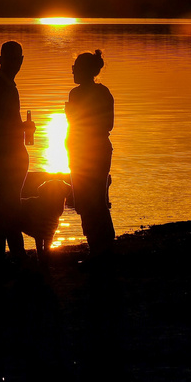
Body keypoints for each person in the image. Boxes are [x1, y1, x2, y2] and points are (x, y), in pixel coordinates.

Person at [0, 40, 35, 254]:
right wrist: (23, 127)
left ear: (21, 61)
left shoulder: (8, 86)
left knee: (9, 204)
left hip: (13, 155)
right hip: (4, 156)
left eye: (17, 58)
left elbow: (7, 123)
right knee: (10, 205)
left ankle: (0, 252)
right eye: (10, 58)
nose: (14, 63)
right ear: (0, 59)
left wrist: (23, 128)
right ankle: (15, 253)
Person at [65, 49, 115, 256]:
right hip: (85, 151)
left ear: (84, 70)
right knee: (90, 200)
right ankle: (99, 245)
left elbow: (104, 124)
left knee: (91, 200)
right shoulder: (102, 93)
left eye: (75, 68)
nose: (73, 71)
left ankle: (101, 246)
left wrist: (74, 116)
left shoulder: (78, 94)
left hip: (89, 151)